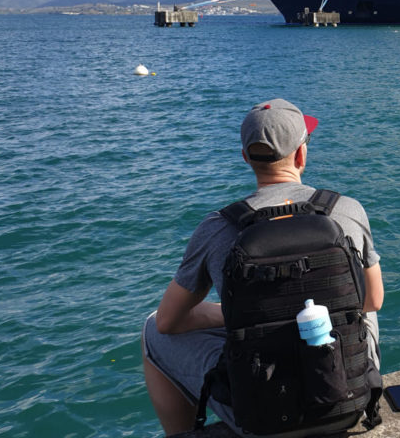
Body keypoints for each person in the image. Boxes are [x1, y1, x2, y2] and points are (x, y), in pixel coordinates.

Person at [142, 98, 384, 436]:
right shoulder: (347, 210)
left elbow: (170, 322)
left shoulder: (217, 228)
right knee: (361, 300)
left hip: (264, 419)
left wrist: (239, 314)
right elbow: (374, 300)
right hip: (345, 403)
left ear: (246, 158)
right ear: (301, 154)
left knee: (152, 329)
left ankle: (184, 434)